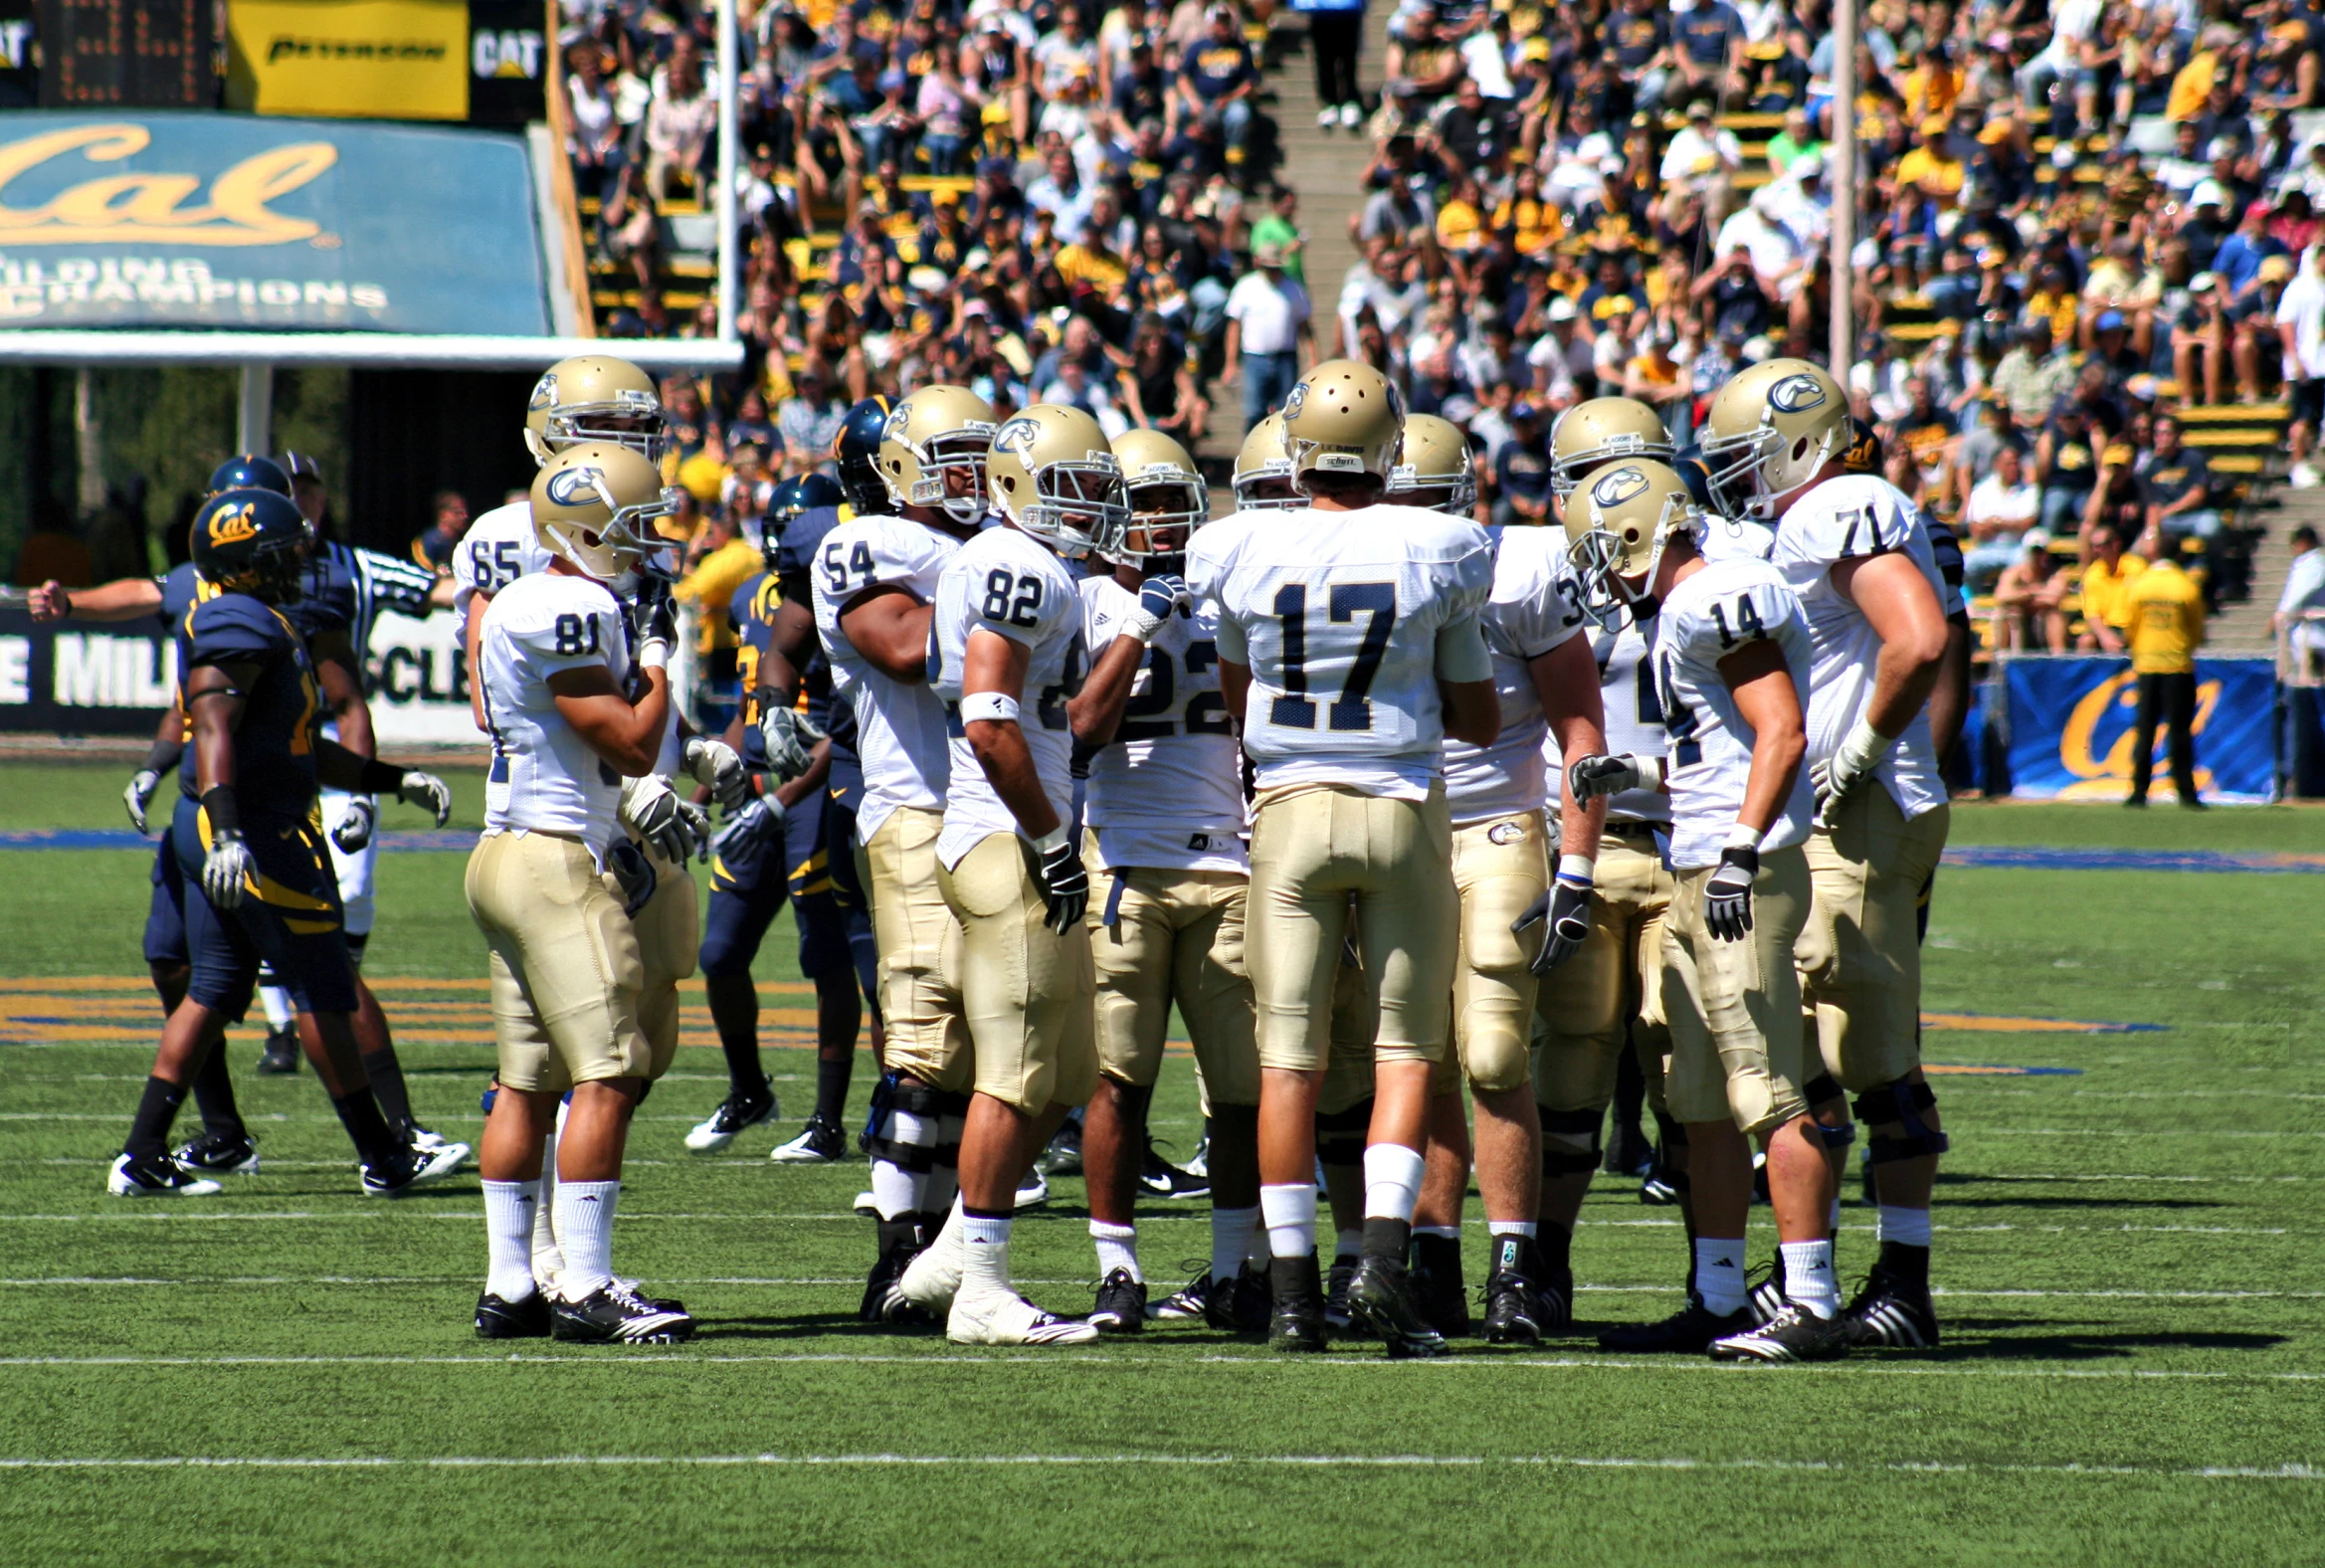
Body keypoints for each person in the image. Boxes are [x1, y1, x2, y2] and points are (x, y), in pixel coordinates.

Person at [1187, 359, 1499, 1357]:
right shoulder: (1441, 543)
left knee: (1290, 1059)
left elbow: (1240, 699)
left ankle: (1287, 1297)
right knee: (1407, 1049)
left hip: (1287, 810)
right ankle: (1376, 1263)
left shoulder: (1234, 545)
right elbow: (1479, 715)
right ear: (1391, 447)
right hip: (1403, 805)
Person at [1562, 457, 1840, 1361]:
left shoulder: (1711, 598)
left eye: (1603, 551)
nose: (1599, 572)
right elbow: (1719, 752)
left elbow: (1782, 730)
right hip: (1697, 861)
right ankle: (1720, 1296)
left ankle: (1811, 1300)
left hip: (1733, 873)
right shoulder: (1685, 610)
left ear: (1639, 534)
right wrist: (1636, 777)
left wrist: (1740, 851)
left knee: (1764, 1088)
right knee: (1700, 1100)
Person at [1702, 357, 1954, 1352]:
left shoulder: (1837, 502)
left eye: (1748, 456)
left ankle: (1864, 1284)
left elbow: (1921, 638)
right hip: (1872, 806)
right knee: (1845, 1050)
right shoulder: (1840, 506)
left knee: (1843, 1051)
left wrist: (1861, 752)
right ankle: (1849, 1278)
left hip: (1863, 810)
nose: (1739, 477)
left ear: (1800, 438)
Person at [109, 487, 459, 1200]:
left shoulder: (267, 617)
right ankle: (384, 1156)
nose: (299, 558)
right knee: (322, 984)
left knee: (214, 988)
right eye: (280, 551)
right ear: (243, 561)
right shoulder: (235, 617)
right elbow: (210, 729)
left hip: (251, 820)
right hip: (255, 831)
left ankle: (143, 1152)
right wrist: (231, 832)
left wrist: (392, 780)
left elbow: (295, 749)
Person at [468, 443, 696, 1343]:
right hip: (553, 862)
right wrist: (657, 657)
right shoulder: (567, 602)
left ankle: (512, 1283)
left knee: (526, 1082)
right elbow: (631, 742)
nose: (643, 545)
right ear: (586, 527)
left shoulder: (531, 597)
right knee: (610, 1068)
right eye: (633, 527)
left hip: (508, 848)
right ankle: (588, 1287)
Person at [901, 404, 1118, 1347]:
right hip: (1005, 839)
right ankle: (982, 1292)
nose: (1088, 507)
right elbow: (992, 722)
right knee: (1015, 1073)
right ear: (1019, 486)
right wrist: (1049, 838)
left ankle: (952, 1251)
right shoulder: (1015, 565)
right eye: (1072, 487)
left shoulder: (1020, 563)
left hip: (1009, 832)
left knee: (1065, 1068)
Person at [1397, 414, 1609, 1342]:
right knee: (1418, 1054)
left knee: (1489, 1051)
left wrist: (1578, 862)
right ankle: (1430, 1263)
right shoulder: (1340, 560)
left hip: (1494, 827)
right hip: (1393, 825)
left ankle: (1514, 1269)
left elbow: (1582, 734)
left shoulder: (1518, 570)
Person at [1064, 430, 1266, 1332]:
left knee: (1239, 1089)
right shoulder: (1078, 603)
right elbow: (1080, 731)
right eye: (1138, 504)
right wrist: (1139, 623)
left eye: (1166, 501)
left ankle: (1231, 1268)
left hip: (1227, 860)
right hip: (1122, 860)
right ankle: (1117, 1268)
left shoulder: (1232, 593)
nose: (1154, 521)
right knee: (1119, 1081)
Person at [820, 387, 994, 1321]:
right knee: (923, 1040)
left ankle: (937, 1252)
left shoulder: (982, 550)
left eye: (978, 456)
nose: (969, 476)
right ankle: (894, 1255)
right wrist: (1022, 612)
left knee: (983, 1046)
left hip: (1002, 808)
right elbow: (904, 647)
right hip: (917, 810)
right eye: (950, 459)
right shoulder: (869, 545)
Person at [726, 403, 895, 1163]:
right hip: (865, 779)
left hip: (947, 771)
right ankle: (901, 1121)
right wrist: (769, 711)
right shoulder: (830, 541)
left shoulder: (975, 536)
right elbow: (782, 645)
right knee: (880, 961)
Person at [2123, 529, 2207, 809]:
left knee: (2145, 730)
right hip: (2178, 664)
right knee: (2179, 731)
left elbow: (2130, 625)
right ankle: (2185, 791)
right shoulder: (2186, 585)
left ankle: (2138, 791)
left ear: (2153, 553)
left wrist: (2141, 648)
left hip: (2146, 664)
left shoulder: (2140, 584)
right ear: (2179, 554)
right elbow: (2196, 629)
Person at [1224, 243, 1314, 432]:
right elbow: (1234, 327)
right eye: (1269, 268)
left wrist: (1312, 358)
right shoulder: (1246, 287)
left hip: (1286, 358)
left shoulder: (1293, 288)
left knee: (1287, 413)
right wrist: (1231, 362)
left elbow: (1305, 327)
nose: (1273, 272)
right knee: (1254, 412)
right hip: (1254, 358)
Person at [2273, 523, 2325, 679]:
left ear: (2304, 542)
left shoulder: (2312, 564)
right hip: (2309, 632)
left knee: (2309, 679)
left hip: (2313, 633)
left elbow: (2296, 595)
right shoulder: (2313, 563)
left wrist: (2281, 614)